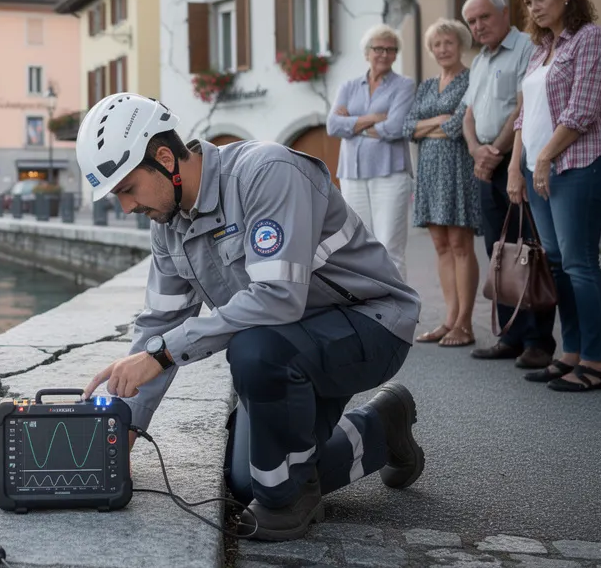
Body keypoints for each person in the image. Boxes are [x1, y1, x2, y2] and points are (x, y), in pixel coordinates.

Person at [76, 93, 425, 542]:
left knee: (254, 352)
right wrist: (122, 425)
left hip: (371, 322)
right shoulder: (167, 226)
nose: (125, 206)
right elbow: (158, 323)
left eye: (127, 188)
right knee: (246, 482)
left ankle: (287, 504)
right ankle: (381, 426)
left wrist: (161, 356)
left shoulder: (266, 172)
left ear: (164, 158)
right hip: (294, 343)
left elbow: (278, 298)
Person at [507, 0, 601, 392]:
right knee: (557, 265)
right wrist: (517, 166)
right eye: (529, 1)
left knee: (580, 263)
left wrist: (543, 159)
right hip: (541, 166)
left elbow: (582, 110)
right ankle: (569, 353)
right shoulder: (541, 51)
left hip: (581, 162)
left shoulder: (591, 38)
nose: (534, 7)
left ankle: (595, 363)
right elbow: (523, 116)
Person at [461, 0, 557, 369]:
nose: (478, 26)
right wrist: (475, 151)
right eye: (471, 21)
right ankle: (510, 335)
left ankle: (538, 340)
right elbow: (468, 114)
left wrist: (496, 152)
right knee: (498, 251)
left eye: (484, 17)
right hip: (484, 163)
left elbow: (523, 107)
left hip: (514, 160)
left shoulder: (526, 48)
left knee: (527, 250)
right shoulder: (481, 60)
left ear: (504, 14)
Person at [402, 19, 481, 347]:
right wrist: (438, 121)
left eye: (449, 43)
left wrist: (429, 125)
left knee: (461, 244)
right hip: (430, 173)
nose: (443, 49)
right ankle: (449, 319)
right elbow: (407, 127)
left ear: (460, 44)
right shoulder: (426, 85)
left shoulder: (472, 78)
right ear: (431, 50)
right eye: (437, 45)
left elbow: (459, 125)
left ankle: (465, 322)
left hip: (460, 168)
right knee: (441, 245)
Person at [327, 24, 417, 279]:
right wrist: (373, 118)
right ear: (367, 52)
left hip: (390, 174)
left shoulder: (404, 86)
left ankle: (399, 309)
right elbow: (333, 126)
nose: (385, 54)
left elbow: (395, 127)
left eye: (391, 49)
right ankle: (368, 307)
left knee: (390, 246)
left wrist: (353, 122)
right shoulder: (348, 86)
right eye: (379, 48)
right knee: (358, 245)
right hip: (352, 174)